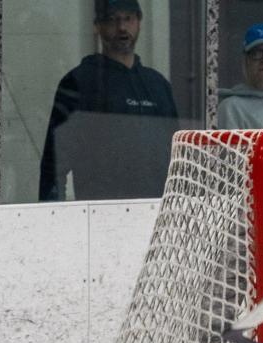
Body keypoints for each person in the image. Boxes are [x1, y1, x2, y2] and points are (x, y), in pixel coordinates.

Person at [38, 0, 178, 202]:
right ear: (97, 26)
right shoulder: (79, 82)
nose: (122, 27)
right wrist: (53, 219)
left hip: (157, 215)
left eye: (128, 18)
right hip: (99, 218)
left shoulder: (158, 86)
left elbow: (178, 160)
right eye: (112, 19)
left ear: (139, 22)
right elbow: (54, 164)